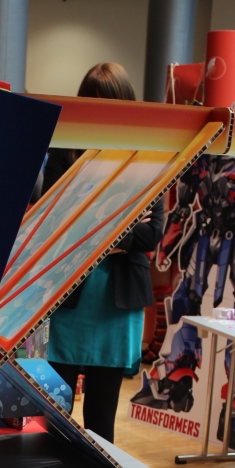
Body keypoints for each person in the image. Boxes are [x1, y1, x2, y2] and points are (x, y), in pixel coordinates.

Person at [44, 62, 164, 443]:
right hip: (69, 299)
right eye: (91, 103)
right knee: (54, 419)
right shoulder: (65, 150)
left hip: (117, 304)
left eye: (108, 103)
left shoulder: (147, 157)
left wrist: (96, 223)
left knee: (101, 425)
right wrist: (124, 221)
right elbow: (57, 220)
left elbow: (153, 233)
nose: (99, 113)